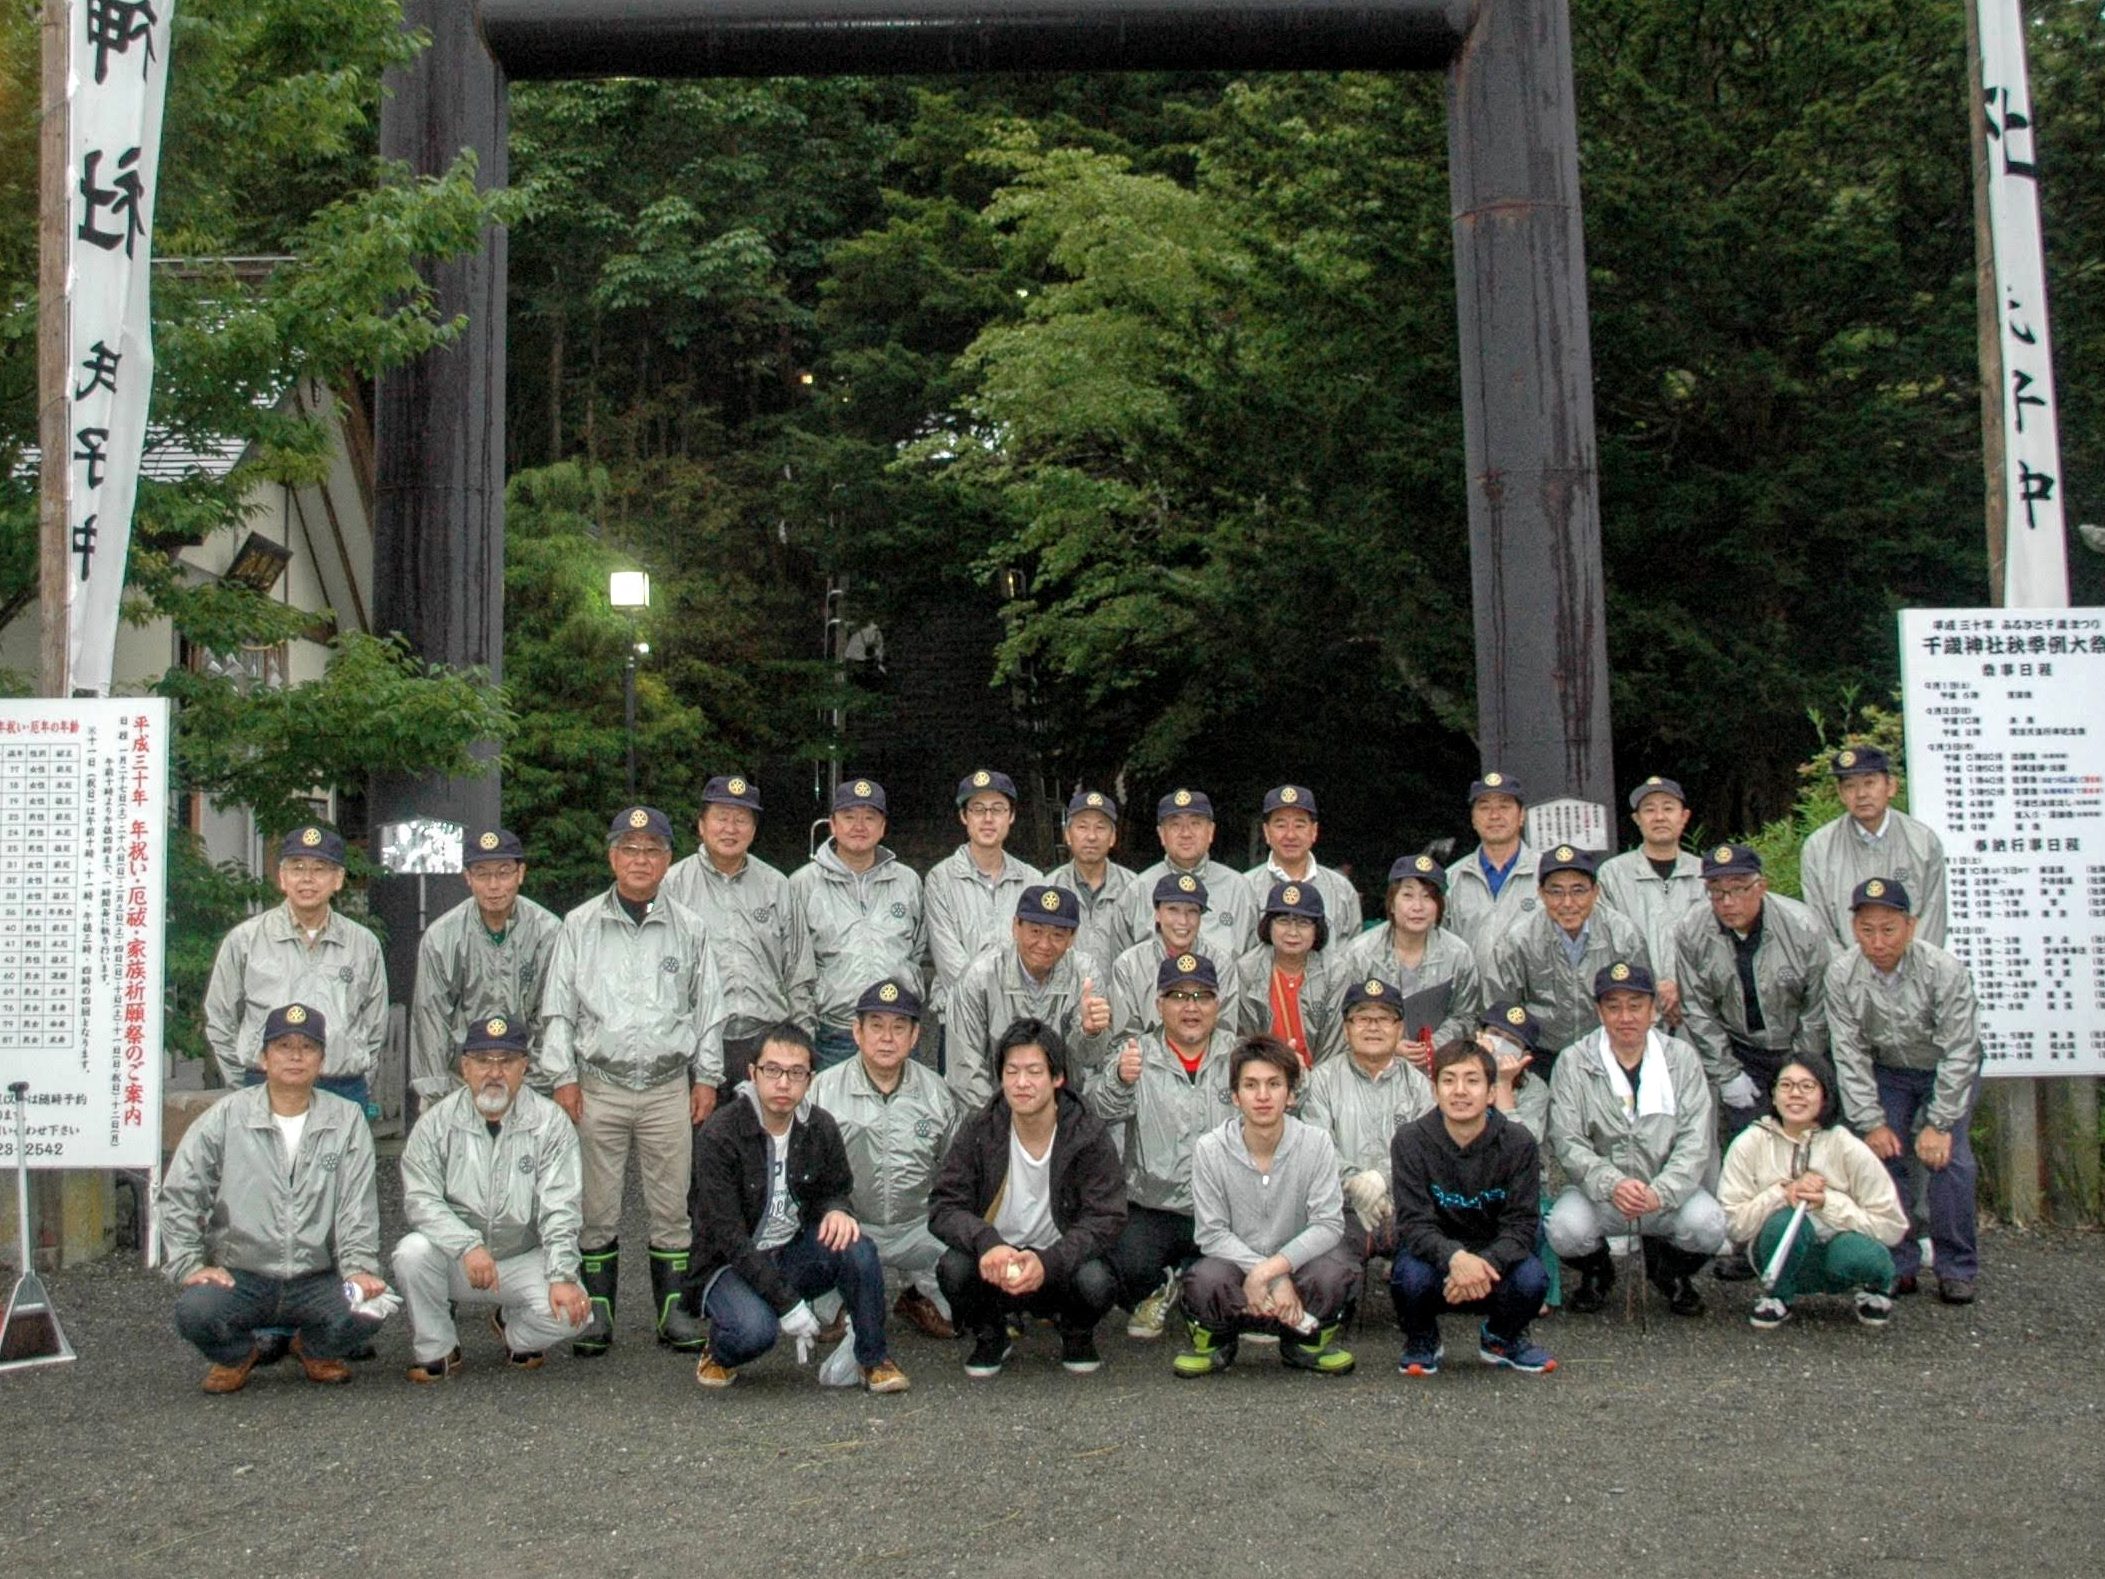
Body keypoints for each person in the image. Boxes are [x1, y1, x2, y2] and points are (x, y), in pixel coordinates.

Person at [536, 805, 727, 1356]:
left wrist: (707, 1077)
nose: (640, 860)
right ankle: (597, 1313)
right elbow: (558, 1009)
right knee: (596, 1206)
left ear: (669, 859)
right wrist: (563, 1078)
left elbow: (708, 1008)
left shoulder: (689, 927)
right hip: (600, 1084)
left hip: (669, 1085)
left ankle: (674, 1312)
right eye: (629, 850)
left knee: (671, 1207)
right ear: (612, 856)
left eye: (652, 851)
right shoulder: (579, 924)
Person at [160, 1004, 386, 1392]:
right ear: (263, 1058)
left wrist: (358, 1267)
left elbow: (356, 1206)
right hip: (242, 1274)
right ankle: (235, 1355)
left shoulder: (346, 1119)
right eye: (283, 1046)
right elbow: (181, 1190)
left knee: (372, 1303)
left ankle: (314, 1349)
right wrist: (187, 1263)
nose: (295, 1056)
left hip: (316, 1275)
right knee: (195, 1311)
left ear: (322, 1060)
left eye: (307, 1047)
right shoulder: (227, 1116)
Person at [685, 1024, 910, 1393]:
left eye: (796, 1073)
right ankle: (719, 1350)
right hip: (728, 1262)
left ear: (810, 1079)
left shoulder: (819, 1126)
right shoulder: (720, 1134)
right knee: (754, 1332)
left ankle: (874, 1358)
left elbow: (835, 1190)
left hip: (789, 1252)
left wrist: (837, 1210)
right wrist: (788, 1305)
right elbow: (727, 1234)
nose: (783, 1083)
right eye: (772, 1071)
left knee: (858, 1247)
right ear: (753, 1073)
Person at [394, 1015, 590, 1379]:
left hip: (521, 1256)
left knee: (574, 1313)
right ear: (465, 1067)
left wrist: (562, 1274)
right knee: (411, 1253)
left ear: (524, 1068)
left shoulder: (551, 1123)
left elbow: (561, 1208)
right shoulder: (435, 1123)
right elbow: (420, 1200)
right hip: (458, 1260)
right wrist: (467, 1245)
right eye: (484, 1061)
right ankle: (438, 1349)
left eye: (507, 1061)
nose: (494, 1072)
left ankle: (516, 1333)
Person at [929, 1020, 1128, 1377]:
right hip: (998, 1264)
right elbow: (944, 1205)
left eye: (1034, 1071)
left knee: (1098, 1280)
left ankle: (1077, 1333)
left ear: (1057, 1078)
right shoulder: (980, 1129)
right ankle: (990, 1335)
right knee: (953, 1268)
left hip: (1060, 1264)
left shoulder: (1087, 1133)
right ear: (1000, 1077)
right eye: (1012, 1071)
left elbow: (1107, 1217)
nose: (1022, 1083)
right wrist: (987, 1243)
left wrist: (1049, 1263)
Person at [1825, 878, 1982, 1304]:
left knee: (1949, 1161)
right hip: (1887, 1071)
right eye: (1867, 929)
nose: (1878, 941)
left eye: (1889, 929)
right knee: (1882, 1156)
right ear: (1854, 929)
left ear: (1910, 927)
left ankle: (1957, 1266)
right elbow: (1850, 1052)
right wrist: (1870, 1121)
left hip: (1942, 1070)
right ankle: (1899, 1261)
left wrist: (1940, 1122)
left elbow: (1961, 1050)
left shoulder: (1943, 970)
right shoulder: (1841, 974)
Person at [1546, 963, 1727, 1317]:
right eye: (1613, 1007)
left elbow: (1696, 1139)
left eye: (1635, 1005)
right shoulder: (1573, 1061)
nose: (1625, 1017)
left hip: (1666, 1193)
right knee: (1564, 1228)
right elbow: (1567, 1140)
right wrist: (1613, 1183)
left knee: (1709, 1225)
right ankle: (1598, 1273)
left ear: (1653, 1010)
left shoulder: (1681, 1058)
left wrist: (1662, 1191)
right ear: (1599, 1011)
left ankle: (1671, 1273)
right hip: (1604, 1194)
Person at [1175, 1036, 1359, 1377]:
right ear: (1234, 1095)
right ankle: (1215, 1342)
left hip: (1299, 1266)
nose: (1262, 1096)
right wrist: (1270, 1276)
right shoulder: (1210, 1149)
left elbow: (1329, 1223)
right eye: (1250, 1085)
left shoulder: (1316, 1143)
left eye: (1274, 1084)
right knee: (1204, 1278)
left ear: (1290, 1095)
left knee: (1333, 1272)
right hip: (1237, 1268)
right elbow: (1211, 1233)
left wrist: (1271, 1270)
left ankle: (1307, 1343)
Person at [1672, 842, 1836, 1220]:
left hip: (1799, 1046)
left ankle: (1812, 1234)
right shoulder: (1691, 931)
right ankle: (1751, 1238)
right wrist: (1727, 1073)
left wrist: (1800, 1069)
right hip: (1740, 1050)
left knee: (1809, 1143)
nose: (1727, 902)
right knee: (1749, 1147)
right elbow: (1697, 1009)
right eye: (1716, 892)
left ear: (1760, 887)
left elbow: (1817, 1005)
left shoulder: (1803, 926)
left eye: (1738, 889)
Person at [1085, 952, 1238, 1341]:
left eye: (1202, 996)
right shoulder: (1136, 1053)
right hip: (1154, 1204)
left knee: (1230, 1277)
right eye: (1178, 996)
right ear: (1159, 1004)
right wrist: (1121, 1080)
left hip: (1223, 1205)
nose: (1191, 1007)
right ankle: (1157, 1288)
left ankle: (1196, 1285)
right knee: (1118, 1265)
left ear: (1217, 1003)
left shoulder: (1239, 1055)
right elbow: (1098, 1111)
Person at [1388, 1038, 1556, 1376]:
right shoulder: (1409, 1141)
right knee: (1407, 1278)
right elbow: (1414, 1224)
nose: (1460, 1091)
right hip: (1435, 1258)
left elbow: (1523, 1226)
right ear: (1434, 1090)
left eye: (1472, 1080)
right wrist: (1456, 1258)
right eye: (1449, 1080)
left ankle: (1501, 1338)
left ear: (1492, 1092)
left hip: (1495, 1261)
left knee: (1533, 1280)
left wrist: (1482, 1264)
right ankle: (1422, 1339)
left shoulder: (1519, 1143)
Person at [810, 981, 962, 1340]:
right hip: (850, 1227)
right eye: (876, 1026)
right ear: (857, 1032)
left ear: (914, 1036)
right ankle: (847, 1294)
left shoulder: (936, 1093)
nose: (887, 1038)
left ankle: (916, 1294)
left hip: (917, 1226)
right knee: (824, 1320)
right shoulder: (822, 1091)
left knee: (964, 1299)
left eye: (899, 1027)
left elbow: (955, 1172)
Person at [1718, 1054, 1908, 1329]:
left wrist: (1828, 1203)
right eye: (1786, 1085)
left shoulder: (1847, 1146)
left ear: (1825, 1096)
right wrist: (1782, 1193)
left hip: (1839, 1254)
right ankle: (1778, 1296)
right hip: (1778, 1257)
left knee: (1859, 1254)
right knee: (1783, 1222)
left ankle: (1875, 1290)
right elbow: (1734, 1225)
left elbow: (1892, 1227)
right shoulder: (1749, 1143)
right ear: (1772, 1095)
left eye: (1807, 1087)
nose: (1795, 1094)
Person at [204, 824, 388, 1107]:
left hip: (341, 1088)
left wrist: (360, 1073)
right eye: (297, 867)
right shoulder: (246, 940)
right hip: (263, 1086)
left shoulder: (362, 944)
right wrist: (240, 1081)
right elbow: (219, 1015)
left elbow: (375, 1024)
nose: (307, 879)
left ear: (338, 878)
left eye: (319, 869)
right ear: (281, 877)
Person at [661, 774, 818, 1095]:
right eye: (721, 818)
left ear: (754, 830)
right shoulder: (671, 886)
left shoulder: (776, 885)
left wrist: (800, 1039)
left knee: (768, 1141)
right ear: (701, 825)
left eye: (741, 820)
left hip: (766, 1043)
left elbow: (799, 969)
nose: (730, 828)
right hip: (697, 1042)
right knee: (704, 1141)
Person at [409, 827, 561, 1110]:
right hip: (459, 1083)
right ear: (468, 878)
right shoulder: (442, 936)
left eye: (504, 873)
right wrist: (436, 1094)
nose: (494, 885)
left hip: (529, 1083)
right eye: (482, 874)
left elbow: (551, 1016)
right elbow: (430, 1019)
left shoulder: (548, 932)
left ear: (521, 874)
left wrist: (537, 1086)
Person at [790, 778, 927, 1072]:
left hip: (897, 1029)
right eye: (849, 817)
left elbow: (917, 950)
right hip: (833, 1033)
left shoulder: (907, 881)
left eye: (869, 818)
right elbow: (795, 966)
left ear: (883, 826)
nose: (859, 826)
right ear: (833, 824)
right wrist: (803, 1035)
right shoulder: (803, 884)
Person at [1483, 843, 1650, 1083]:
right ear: (1541, 893)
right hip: (1540, 1058)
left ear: (1595, 891)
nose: (1568, 903)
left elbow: (1644, 1003)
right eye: (1556, 892)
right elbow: (1500, 1010)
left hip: (1609, 1051)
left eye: (1579, 890)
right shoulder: (1517, 940)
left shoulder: (1624, 935)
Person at [1297, 977, 1435, 1259]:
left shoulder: (1420, 1085)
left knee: (1421, 1273)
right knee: (1326, 1275)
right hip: (1339, 1208)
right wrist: (1355, 1183)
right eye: (1361, 1019)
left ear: (1400, 1030)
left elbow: (1426, 1153)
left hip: (1405, 1206)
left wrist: (1382, 1179)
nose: (1373, 1027)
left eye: (1384, 1019)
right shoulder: (1322, 1081)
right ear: (1346, 1029)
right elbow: (1316, 1149)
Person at [945, 884, 1112, 1107]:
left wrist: (1090, 1034)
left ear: (1072, 938)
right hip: (993, 1113)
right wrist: (1005, 1125)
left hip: (1063, 1114)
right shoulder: (979, 977)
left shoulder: (1085, 974)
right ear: (1015, 927)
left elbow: (1091, 1062)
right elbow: (965, 1071)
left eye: (1057, 935)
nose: (1044, 944)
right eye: (1035, 931)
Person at [925, 769, 1044, 1066]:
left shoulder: (1033, 880)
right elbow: (949, 961)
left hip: (1022, 1031)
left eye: (998, 809)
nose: (988, 819)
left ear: (1012, 816)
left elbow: (1040, 954)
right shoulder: (941, 879)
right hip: (959, 1026)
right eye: (978, 809)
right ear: (964, 817)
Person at [1330, 853, 1484, 1064]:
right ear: (1392, 903)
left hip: (1438, 1064)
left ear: (1439, 905)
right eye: (1408, 895)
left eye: (1428, 896)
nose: (1418, 906)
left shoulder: (1458, 953)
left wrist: (1434, 1044)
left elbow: (1467, 1015)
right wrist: (1390, 1043)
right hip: (1372, 1062)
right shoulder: (1359, 953)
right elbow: (1341, 1016)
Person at [1798, 746, 1948, 948]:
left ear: (1891, 786)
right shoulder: (1819, 848)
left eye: (1869, 783)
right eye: (1850, 786)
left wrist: (1913, 972)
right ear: (1841, 794)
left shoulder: (1923, 842)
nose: (1861, 794)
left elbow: (1933, 918)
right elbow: (1820, 926)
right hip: (1845, 975)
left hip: (1913, 974)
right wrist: (1847, 975)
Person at [1595, 777, 1706, 1022]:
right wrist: (1652, 987)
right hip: (1633, 1008)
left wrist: (1682, 987)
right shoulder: (1612, 874)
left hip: (1699, 1007)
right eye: (1649, 809)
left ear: (1684, 816)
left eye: (1668, 808)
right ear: (1637, 819)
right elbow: (1607, 942)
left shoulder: (1705, 875)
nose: (1659, 817)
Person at [1113, 788, 1259, 962]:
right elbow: (1120, 963)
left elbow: (1254, 964)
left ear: (1211, 831)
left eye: (1195, 823)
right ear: (1161, 834)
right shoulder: (1138, 890)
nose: (1186, 833)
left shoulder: (1238, 889)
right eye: (1175, 825)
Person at [1107, 872, 1243, 1040]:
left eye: (1192, 912)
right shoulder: (1129, 965)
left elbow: (1225, 1036)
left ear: (1201, 917)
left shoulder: (1221, 964)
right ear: (1157, 913)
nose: (1183, 921)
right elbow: (1124, 1039)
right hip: (1145, 1063)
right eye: (1173, 910)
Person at [1232, 881, 1340, 1067]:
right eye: (1283, 921)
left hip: (1323, 1080)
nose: (1292, 932)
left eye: (1303, 923)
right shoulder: (1246, 970)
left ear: (1317, 929)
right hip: (1263, 1076)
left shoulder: (1336, 971)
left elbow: (1336, 1043)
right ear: (1268, 925)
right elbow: (1244, 1039)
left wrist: (1316, 1083)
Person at [1443, 772, 1538, 970]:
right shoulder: (1452, 879)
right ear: (1473, 819)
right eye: (1485, 807)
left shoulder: (1546, 874)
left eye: (1504, 806)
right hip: (1471, 997)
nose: (1494, 816)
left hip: (1533, 998)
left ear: (1521, 816)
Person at [1241, 784, 1362, 938]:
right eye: (1281, 825)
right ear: (1266, 831)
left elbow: (1354, 952)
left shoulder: (1342, 890)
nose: (1290, 835)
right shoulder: (1244, 887)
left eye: (1299, 825)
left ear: (1314, 831)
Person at [1044, 789, 1139, 973]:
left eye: (1101, 827)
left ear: (1112, 837)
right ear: (1068, 835)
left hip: (1119, 999)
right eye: (1082, 827)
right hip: (1066, 999)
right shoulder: (1048, 888)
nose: (1092, 836)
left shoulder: (1134, 888)